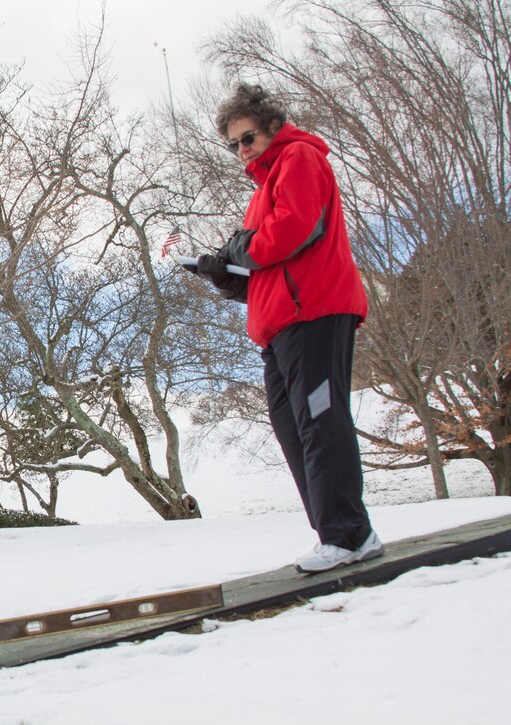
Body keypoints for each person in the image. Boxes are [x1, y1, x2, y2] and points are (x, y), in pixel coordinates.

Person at [193, 82, 383, 574]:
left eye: (248, 137)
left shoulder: (298, 158)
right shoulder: (262, 189)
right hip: (279, 327)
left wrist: (240, 249)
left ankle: (348, 535)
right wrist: (224, 273)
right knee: (292, 428)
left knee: (321, 423)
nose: (242, 150)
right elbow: (263, 268)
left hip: (315, 314)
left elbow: (294, 231)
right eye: (233, 144)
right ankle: (339, 534)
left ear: (272, 125)